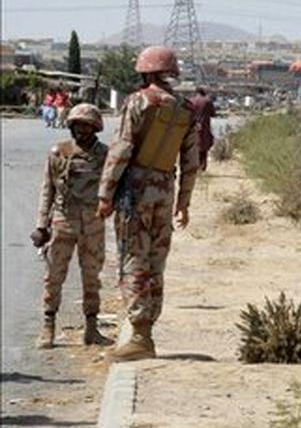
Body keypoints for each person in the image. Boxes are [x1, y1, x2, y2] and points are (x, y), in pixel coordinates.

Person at [96, 45, 200, 361]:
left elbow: (122, 149)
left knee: (133, 258)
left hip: (135, 190)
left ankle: (139, 334)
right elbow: (191, 160)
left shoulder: (138, 102)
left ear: (145, 71)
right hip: (165, 188)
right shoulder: (185, 108)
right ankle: (146, 331)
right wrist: (184, 202)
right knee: (156, 261)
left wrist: (105, 193)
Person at [31, 103, 111, 349]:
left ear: (95, 127)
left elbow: (114, 189)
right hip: (63, 222)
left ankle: (91, 328)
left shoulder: (106, 155)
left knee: (92, 277)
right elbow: (48, 191)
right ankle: (48, 327)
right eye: (77, 125)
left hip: (93, 224)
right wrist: (42, 225)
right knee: (54, 276)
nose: (81, 130)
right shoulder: (58, 153)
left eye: (87, 125)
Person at [190, 87, 216, 171]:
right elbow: (213, 114)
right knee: (204, 148)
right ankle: (202, 167)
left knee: (193, 148)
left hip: (193, 127)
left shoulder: (191, 101)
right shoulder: (207, 102)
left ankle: (194, 167)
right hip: (204, 127)